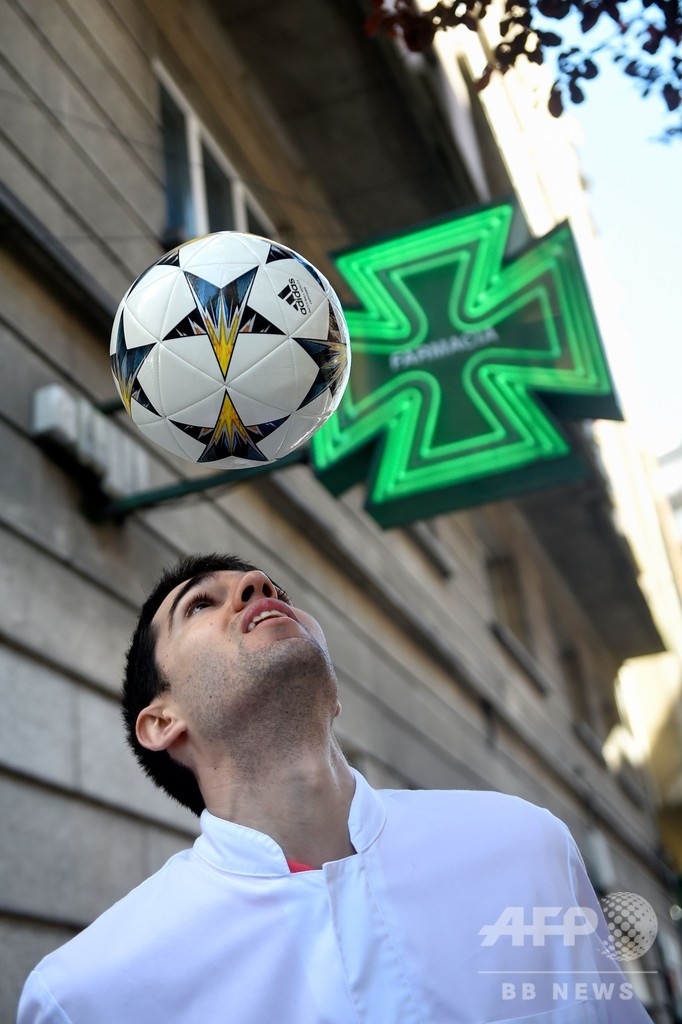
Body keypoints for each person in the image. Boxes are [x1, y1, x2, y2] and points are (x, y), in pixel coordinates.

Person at [18, 553, 652, 1023]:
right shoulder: (88, 995)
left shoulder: (527, 848)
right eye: (201, 605)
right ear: (161, 723)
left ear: (334, 695)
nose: (257, 586)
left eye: (273, 589)